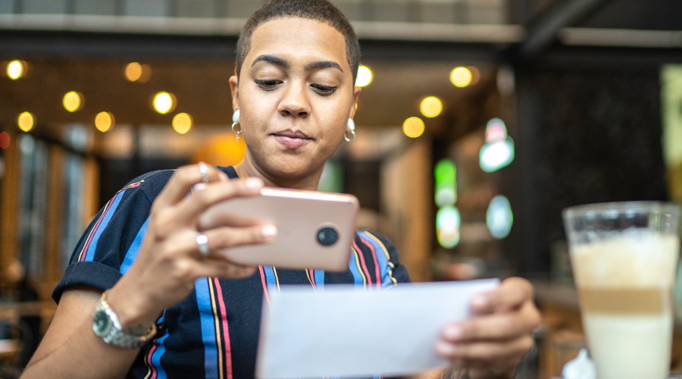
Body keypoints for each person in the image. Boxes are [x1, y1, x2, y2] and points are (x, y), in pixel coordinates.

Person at [21, 1, 540, 378]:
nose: (294, 102)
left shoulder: (373, 259)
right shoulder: (158, 206)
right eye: (270, 80)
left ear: (351, 107)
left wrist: (491, 363)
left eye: (323, 86)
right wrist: (138, 298)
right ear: (237, 94)